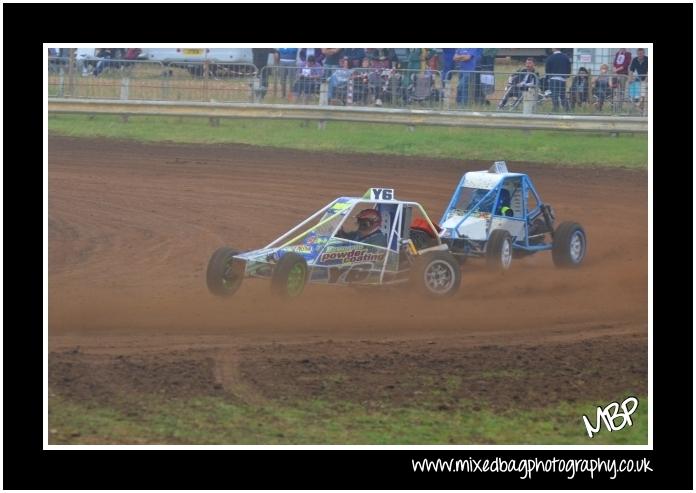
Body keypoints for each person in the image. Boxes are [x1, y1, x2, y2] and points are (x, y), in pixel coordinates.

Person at [628, 48, 648, 114]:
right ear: (637, 54)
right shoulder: (634, 60)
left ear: (644, 53)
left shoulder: (648, 59)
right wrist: (630, 79)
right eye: (639, 54)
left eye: (641, 53)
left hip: (645, 79)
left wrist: (646, 79)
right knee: (633, 93)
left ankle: (642, 109)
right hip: (638, 79)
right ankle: (639, 107)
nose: (640, 55)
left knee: (643, 93)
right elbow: (631, 70)